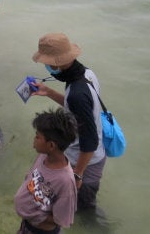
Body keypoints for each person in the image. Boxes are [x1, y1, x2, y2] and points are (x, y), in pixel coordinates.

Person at [30, 33, 107, 210]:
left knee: (83, 211)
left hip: (86, 162)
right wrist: (48, 92)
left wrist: (78, 174)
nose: (46, 66)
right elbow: (78, 108)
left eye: (47, 63)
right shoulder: (86, 74)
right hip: (90, 156)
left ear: (56, 63)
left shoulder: (77, 94)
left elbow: (90, 141)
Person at [15, 108, 78, 234]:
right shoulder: (43, 156)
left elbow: (61, 219)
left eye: (37, 137)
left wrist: (37, 216)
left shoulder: (65, 181)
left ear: (51, 145)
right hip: (27, 226)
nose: (34, 140)